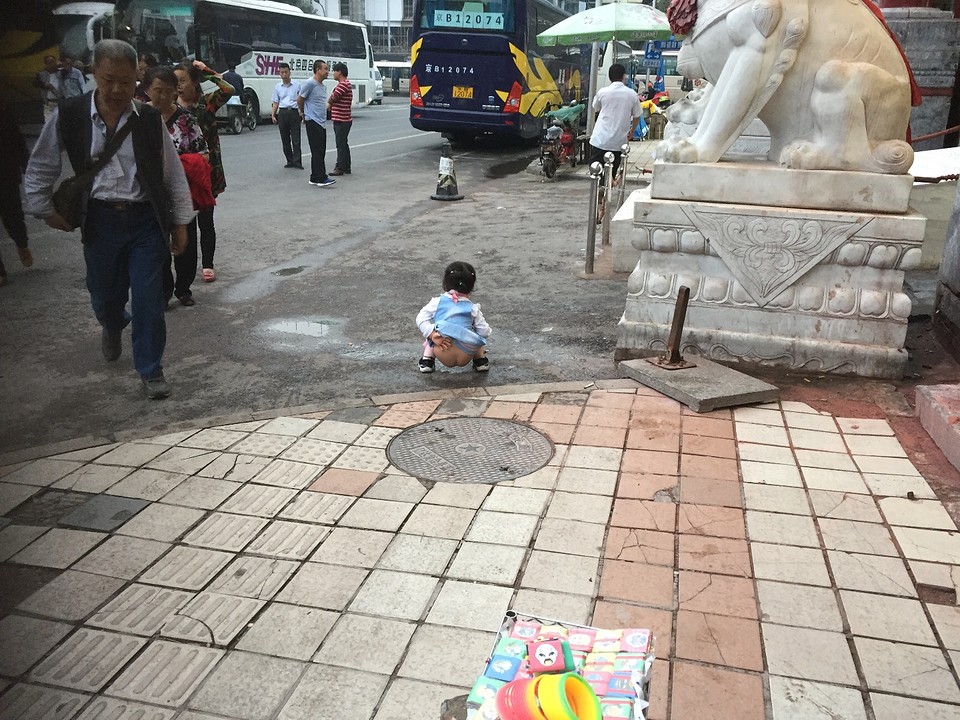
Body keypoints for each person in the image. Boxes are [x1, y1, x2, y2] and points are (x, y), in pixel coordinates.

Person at [23, 39, 194, 400]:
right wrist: (43, 209)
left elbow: (172, 175)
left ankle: (151, 368)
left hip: (145, 222)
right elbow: (41, 165)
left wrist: (180, 224)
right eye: (108, 80)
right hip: (99, 222)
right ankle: (113, 324)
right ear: (94, 75)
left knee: (149, 299)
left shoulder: (147, 119)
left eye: (127, 81)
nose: (117, 89)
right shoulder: (69, 114)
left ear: (138, 79)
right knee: (104, 295)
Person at [144, 65, 208, 307]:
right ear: (147, 89)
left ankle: (183, 287)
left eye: (168, 90)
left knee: (186, 242)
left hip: (182, 189)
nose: (162, 96)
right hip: (149, 193)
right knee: (156, 242)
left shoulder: (186, 119)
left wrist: (177, 164)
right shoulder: (138, 118)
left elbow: (203, 154)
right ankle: (162, 291)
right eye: (157, 90)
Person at [176, 60, 234, 283]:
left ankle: (208, 264)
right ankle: (185, 272)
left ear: (193, 81)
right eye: (176, 82)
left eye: (183, 80)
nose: (179, 86)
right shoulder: (171, 107)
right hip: (181, 174)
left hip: (207, 172)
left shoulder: (207, 104)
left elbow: (228, 89)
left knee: (206, 221)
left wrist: (206, 72)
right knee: (186, 223)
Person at [415, 261, 491, 373]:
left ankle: (427, 360)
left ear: (445, 282)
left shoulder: (437, 302)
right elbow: (485, 332)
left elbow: (420, 319)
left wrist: (432, 334)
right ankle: (480, 360)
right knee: (475, 334)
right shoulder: (472, 308)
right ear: (471, 286)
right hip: (466, 354)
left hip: (443, 349)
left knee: (433, 331)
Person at [0, 103, 33, 286]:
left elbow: (17, 140)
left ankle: (22, 244)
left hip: (5, 174)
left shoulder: (4, 111)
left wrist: (26, 164)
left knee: (13, 217)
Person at [590, 63, 641, 179]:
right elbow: (637, 116)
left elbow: (595, 107)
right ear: (624, 77)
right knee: (610, 176)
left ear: (609, 77)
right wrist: (632, 131)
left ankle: (599, 195)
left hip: (599, 140)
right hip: (618, 142)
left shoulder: (602, 92)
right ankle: (603, 195)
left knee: (596, 174)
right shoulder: (632, 94)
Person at [298, 60, 335, 189]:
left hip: (321, 121)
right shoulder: (310, 83)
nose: (327, 71)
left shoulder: (322, 86)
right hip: (312, 120)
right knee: (318, 150)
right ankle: (321, 177)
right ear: (318, 70)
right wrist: (303, 113)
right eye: (325, 69)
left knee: (320, 150)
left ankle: (314, 177)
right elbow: (300, 99)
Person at [271, 63, 302, 169]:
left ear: (290, 73)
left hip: (293, 112)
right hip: (283, 113)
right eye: (282, 72)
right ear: (279, 74)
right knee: (285, 139)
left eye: (286, 72)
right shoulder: (277, 87)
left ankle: (297, 161)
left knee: (296, 139)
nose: (284, 75)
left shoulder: (297, 85)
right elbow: (276, 102)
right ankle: (290, 160)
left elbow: (300, 100)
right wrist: (273, 115)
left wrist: (302, 113)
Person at [326, 62, 352, 176]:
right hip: (344, 118)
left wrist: (329, 102)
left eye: (335, 71)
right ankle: (346, 166)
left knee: (340, 144)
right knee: (343, 144)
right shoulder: (346, 84)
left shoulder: (343, 85)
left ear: (340, 72)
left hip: (341, 119)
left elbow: (333, 97)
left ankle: (340, 167)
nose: (333, 73)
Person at [35, 55, 61, 122]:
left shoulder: (60, 73)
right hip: (49, 103)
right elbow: (35, 83)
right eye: (50, 62)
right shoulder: (42, 74)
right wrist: (44, 84)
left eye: (53, 62)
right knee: (49, 123)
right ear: (46, 64)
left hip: (60, 102)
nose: (52, 64)